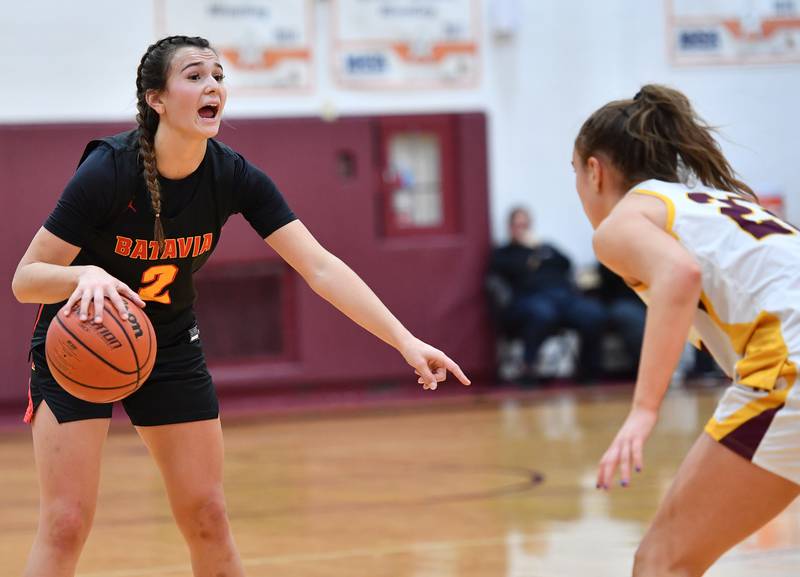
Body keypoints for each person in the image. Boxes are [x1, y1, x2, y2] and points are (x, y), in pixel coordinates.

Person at [11, 35, 470, 577]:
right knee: (65, 524)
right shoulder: (109, 171)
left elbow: (319, 266)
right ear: (157, 99)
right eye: (195, 76)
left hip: (169, 345)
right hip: (79, 342)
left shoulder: (232, 175)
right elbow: (26, 280)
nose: (212, 86)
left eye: (219, 76)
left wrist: (405, 340)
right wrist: (85, 272)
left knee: (208, 515)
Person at [572, 83, 800, 576]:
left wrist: (643, 410)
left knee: (661, 564)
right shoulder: (709, 203)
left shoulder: (623, 221)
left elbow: (678, 276)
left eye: (574, 173)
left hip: (789, 366)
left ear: (594, 171)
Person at [486, 206, 607, 383]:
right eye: (517, 225)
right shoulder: (504, 253)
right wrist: (530, 256)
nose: (522, 229)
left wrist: (539, 248)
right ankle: (529, 369)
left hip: (562, 297)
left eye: (525, 225)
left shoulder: (546, 247)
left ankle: (589, 370)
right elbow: (505, 272)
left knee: (593, 313)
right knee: (542, 314)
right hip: (529, 299)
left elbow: (566, 263)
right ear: (510, 227)